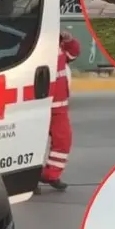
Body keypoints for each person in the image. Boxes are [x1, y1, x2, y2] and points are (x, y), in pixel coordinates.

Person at [36, 31, 81, 193]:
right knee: (34, 144)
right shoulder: (34, 44)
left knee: (63, 141)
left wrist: (69, 41)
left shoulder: (58, 46)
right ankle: (29, 179)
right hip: (39, 104)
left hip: (59, 106)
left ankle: (50, 175)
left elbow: (73, 54)